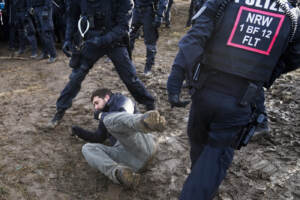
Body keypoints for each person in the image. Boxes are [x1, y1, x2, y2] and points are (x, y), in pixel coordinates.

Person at [167, 0, 300, 198]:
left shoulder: (223, 2)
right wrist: (264, 74)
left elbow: (195, 36)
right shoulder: (291, 14)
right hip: (239, 100)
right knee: (214, 157)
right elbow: (293, 56)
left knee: (200, 149)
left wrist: (176, 75)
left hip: (205, 91)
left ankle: (201, 184)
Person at [48, 0, 155, 128]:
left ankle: (150, 105)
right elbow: (72, 16)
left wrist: (101, 40)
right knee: (76, 77)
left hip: (115, 42)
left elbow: (123, 27)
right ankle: (60, 111)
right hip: (91, 40)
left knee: (130, 78)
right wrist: (68, 38)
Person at [72, 88, 166, 187]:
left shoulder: (122, 101)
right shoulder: (105, 117)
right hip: (131, 161)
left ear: (107, 97)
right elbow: (98, 137)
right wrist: (79, 132)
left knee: (110, 120)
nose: (95, 107)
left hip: (143, 144)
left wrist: (101, 116)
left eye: (96, 103)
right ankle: (120, 174)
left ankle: (145, 122)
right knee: (87, 148)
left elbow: (124, 113)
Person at [130, 0, 169, 75]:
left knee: (150, 41)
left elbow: (163, 1)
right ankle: (126, 62)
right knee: (129, 37)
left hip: (149, 11)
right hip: (136, 9)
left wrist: (160, 15)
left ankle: (148, 67)